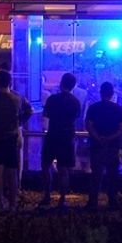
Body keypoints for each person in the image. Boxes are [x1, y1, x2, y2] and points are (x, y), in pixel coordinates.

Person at [0, 69, 32, 212]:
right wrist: (20, 122)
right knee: (12, 172)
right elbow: (29, 111)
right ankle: (13, 203)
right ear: (10, 82)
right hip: (12, 137)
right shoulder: (18, 99)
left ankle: (0, 203)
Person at [40, 72, 82, 208]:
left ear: (61, 83)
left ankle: (47, 194)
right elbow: (76, 117)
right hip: (67, 137)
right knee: (64, 169)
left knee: (46, 165)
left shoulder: (53, 99)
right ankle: (62, 199)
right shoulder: (75, 102)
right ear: (73, 86)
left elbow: (46, 113)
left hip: (52, 135)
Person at [85, 82, 122, 210]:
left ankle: (93, 201)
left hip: (96, 145)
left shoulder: (93, 108)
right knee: (112, 174)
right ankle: (112, 200)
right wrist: (110, 138)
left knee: (96, 174)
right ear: (112, 93)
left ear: (101, 92)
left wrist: (98, 137)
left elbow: (88, 125)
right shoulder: (119, 109)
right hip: (113, 146)